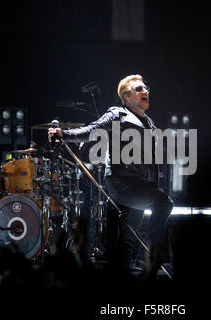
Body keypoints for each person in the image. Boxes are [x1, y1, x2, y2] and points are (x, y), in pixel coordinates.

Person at [48, 74, 173, 271]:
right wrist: (64, 133)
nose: (145, 91)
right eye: (139, 89)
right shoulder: (117, 114)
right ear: (127, 96)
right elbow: (92, 130)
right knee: (164, 203)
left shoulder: (149, 122)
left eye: (146, 88)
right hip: (122, 182)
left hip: (139, 184)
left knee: (127, 242)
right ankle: (148, 253)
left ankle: (125, 274)